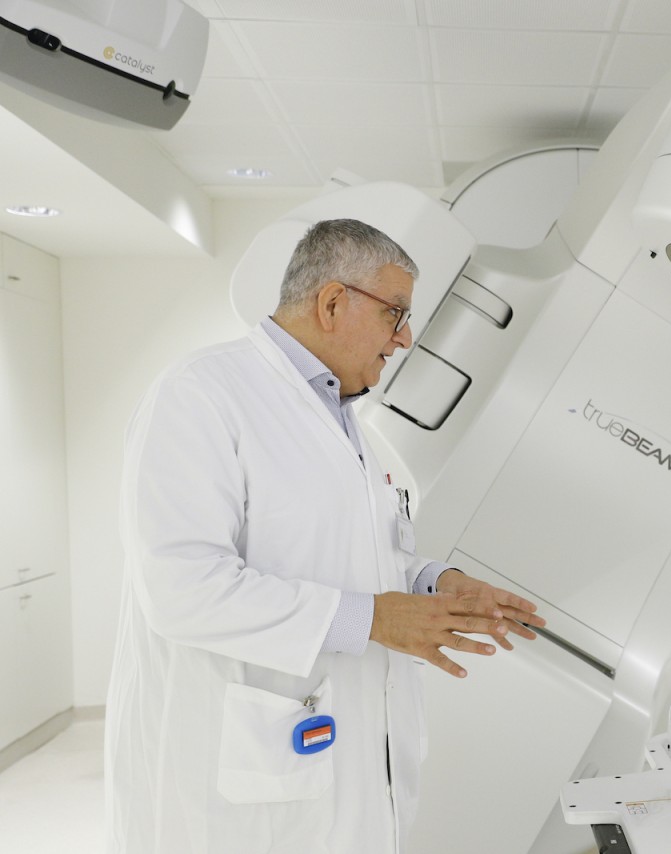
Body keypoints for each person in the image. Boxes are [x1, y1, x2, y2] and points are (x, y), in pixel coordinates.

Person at [105, 218, 546, 853]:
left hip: (345, 768)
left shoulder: (352, 427)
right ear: (334, 302)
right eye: (396, 313)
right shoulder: (201, 395)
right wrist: (372, 620)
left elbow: (360, 551)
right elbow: (181, 588)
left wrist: (433, 583)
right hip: (233, 786)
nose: (405, 338)